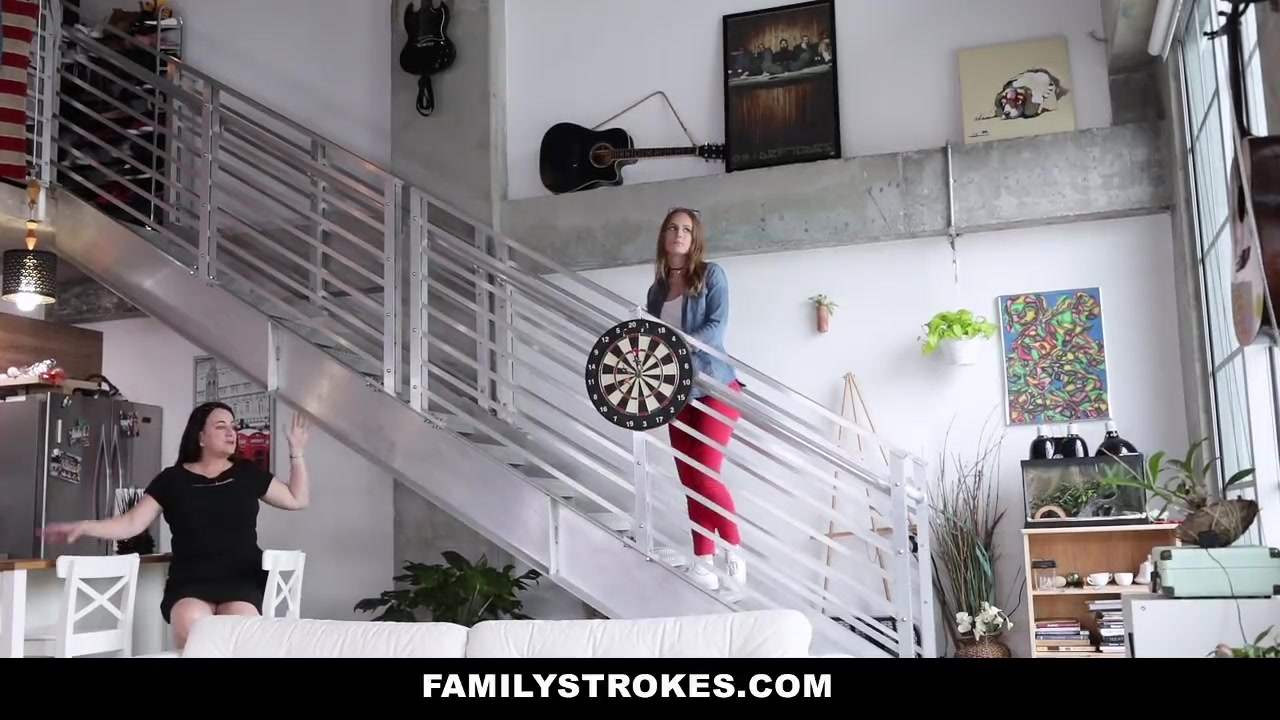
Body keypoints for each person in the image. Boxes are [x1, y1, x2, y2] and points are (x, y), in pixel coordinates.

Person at [40, 401, 312, 649]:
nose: (231, 433)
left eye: (233, 427)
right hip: (191, 582)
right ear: (200, 436)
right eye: (221, 427)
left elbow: (297, 499)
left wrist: (296, 453)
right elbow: (131, 523)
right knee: (193, 626)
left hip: (242, 580)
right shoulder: (171, 480)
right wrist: (84, 526)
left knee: (239, 633)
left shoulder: (247, 473)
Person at [644, 207, 746, 593]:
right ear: (664, 236)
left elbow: (716, 328)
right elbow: (653, 343)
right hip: (678, 393)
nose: (679, 234)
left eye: (686, 229)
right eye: (672, 227)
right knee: (690, 479)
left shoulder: (711, 275)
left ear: (695, 237)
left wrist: (675, 344)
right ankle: (703, 561)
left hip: (716, 386)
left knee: (704, 472)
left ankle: (733, 547)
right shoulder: (656, 291)